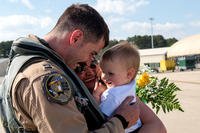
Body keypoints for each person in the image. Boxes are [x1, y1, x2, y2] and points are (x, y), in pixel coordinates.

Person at [0, 4, 140, 133]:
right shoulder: (44, 78)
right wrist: (121, 121)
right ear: (76, 37)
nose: (89, 61)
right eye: (92, 53)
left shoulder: (27, 62)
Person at [75, 43, 167, 133]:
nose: (89, 72)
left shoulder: (117, 90)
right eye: (80, 69)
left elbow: (158, 127)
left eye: (92, 65)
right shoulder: (72, 100)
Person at [98, 41, 142, 133]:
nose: (103, 77)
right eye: (102, 71)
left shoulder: (113, 95)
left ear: (129, 74)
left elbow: (100, 117)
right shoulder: (129, 85)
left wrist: (96, 96)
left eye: (110, 73)